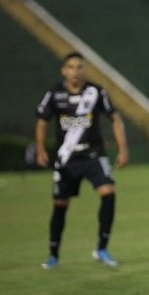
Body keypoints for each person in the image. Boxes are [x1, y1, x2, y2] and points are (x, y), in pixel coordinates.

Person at [35, 51, 129, 269]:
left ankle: (102, 248)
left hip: (93, 155)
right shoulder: (54, 93)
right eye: (71, 67)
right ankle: (53, 254)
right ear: (63, 71)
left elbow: (115, 119)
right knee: (60, 205)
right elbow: (42, 121)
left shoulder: (95, 92)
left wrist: (123, 149)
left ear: (85, 69)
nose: (75, 71)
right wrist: (40, 149)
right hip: (67, 159)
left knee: (108, 193)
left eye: (79, 67)